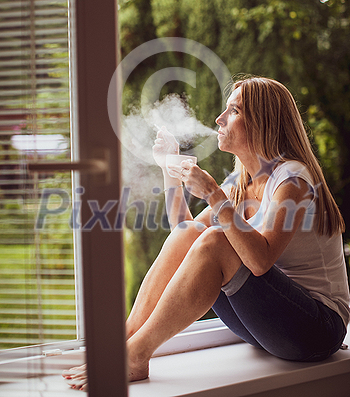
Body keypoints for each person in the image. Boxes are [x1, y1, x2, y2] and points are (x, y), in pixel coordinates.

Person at [63, 76, 349, 389]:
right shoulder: (241, 184)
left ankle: (135, 354)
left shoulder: (292, 179)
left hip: (317, 330)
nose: (219, 119)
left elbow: (260, 261)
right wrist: (169, 171)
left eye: (235, 111)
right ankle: (125, 339)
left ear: (262, 123)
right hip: (270, 323)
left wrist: (213, 193)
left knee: (216, 239)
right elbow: (185, 237)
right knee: (196, 233)